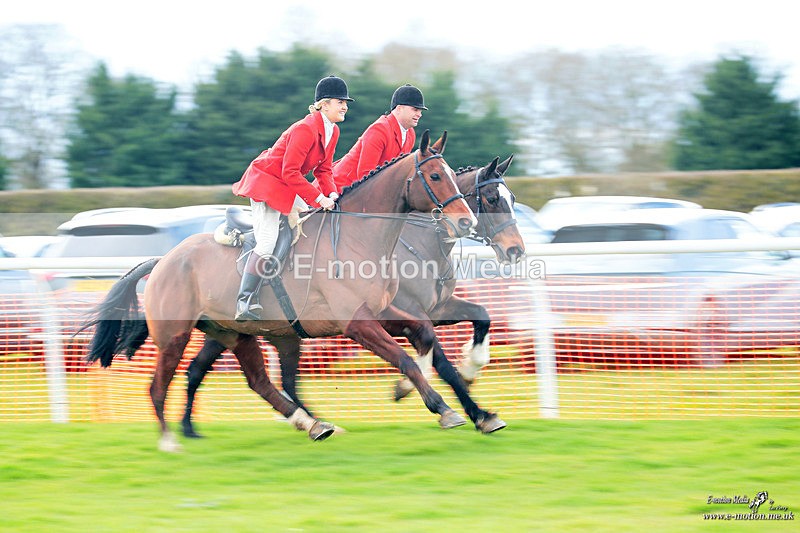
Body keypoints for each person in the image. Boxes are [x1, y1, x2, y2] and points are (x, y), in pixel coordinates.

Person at [231, 75, 353, 321]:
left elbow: (324, 170)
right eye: (340, 102)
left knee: (308, 222)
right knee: (266, 241)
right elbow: (289, 172)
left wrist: (331, 194)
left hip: (287, 185)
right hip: (266, 182)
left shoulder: (333, 130)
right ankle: (244, 300)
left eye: (345, 102)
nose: (345, 106)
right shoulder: (305, 129)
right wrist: (319, 199)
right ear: (324, 104)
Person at [331, 83, 427, 192]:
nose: (420, 114)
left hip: (365, 192)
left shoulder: (410, 134)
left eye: (420, 111)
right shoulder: (379, 130)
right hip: (338, 190)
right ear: (399, 108)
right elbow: (365, 175)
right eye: (415, 109)